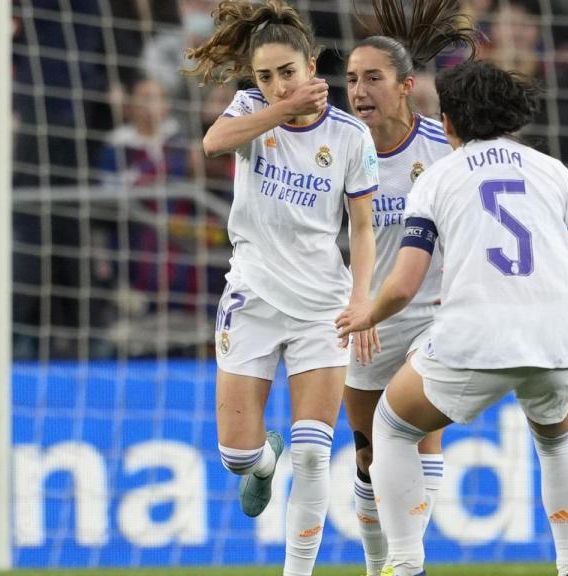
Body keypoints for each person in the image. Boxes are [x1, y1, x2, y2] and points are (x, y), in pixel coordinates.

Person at [336, 60, 568, 576]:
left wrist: (364, 314)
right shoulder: (553, 170)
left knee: (391, 428)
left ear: (449, 122)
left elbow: (403, 284)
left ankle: (404, 563)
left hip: (476, 336)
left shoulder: (438, 178)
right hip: (558, 335)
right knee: (557, 441)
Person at [182, 2, 379, 575]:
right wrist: (282, 107)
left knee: (316, 454)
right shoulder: (250, 110)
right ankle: (264, 465)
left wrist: (361, 296)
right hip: (254, 298)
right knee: (236, 454)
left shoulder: (349, 136)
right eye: (265, 76)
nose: (275, 84)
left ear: (311, 63)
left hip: (323, 306)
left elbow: (363, 225)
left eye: (287, 72)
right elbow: (213, 143)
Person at [342, 1, 477, 575]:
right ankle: (383, 566)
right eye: (350, 79)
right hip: (366, 319)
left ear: (406, 86)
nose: (358, 90)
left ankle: (407, 562)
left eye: (372, 78)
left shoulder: (443, 148)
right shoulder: (341, 149)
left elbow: (475, 222)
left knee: (418, 437)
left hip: (433, 319)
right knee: (369, 457)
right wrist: (354, 304)